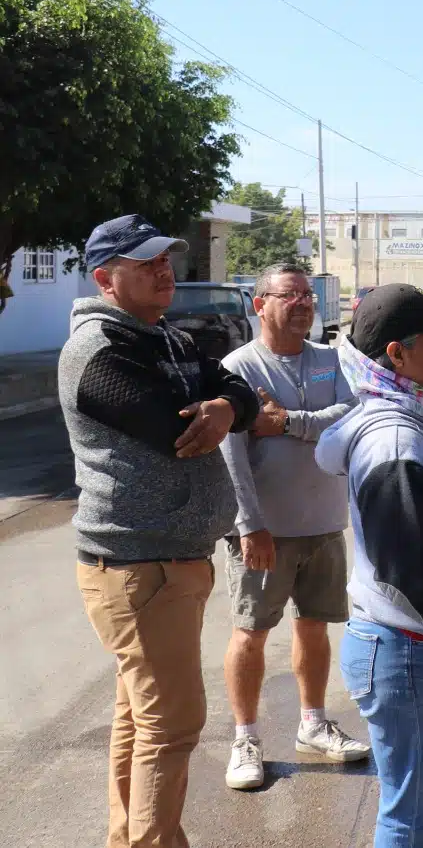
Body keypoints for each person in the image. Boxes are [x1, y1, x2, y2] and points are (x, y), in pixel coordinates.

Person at [59, 214, 261, 848]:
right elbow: (173, 428)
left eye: (165, 258)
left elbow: (237, 388)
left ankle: (129, 838)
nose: (163, 269)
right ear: (104, 278)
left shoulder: (164, 338)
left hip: (168, 560)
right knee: (172, 725)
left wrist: (228, 406)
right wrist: (223, 411)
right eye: (144, 263)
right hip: (138, 564)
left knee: (140, 718)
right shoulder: (98, 350)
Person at [314, 284, 423, 848]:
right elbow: (411, 572)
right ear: (397, 355)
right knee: (412, 812)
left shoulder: (417, 415)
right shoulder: (394, 441)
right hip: (409, 646)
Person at [217, 263, 368, 791]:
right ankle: (245, 738)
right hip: (264, 531)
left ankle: (313, 724)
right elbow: (230, 453)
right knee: (251, 634)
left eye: (308, 294)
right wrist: (248, 525)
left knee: (314, 626)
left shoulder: (332, 359)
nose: (303, 302)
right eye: (290, 295)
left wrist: (286, 422)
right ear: (260, 304)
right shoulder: (238, 368)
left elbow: (354, 414)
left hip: (325, 522)